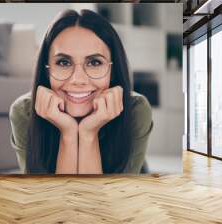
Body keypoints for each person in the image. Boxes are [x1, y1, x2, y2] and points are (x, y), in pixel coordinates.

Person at [9, 9, 153, 174]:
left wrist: (88, 134)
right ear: (46, 70)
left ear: (112, 71)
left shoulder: (136, 109)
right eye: (63, 62)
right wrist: (68, 134)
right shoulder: (24, 111)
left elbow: (104, 199)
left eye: (94, 62)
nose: (78, 79)